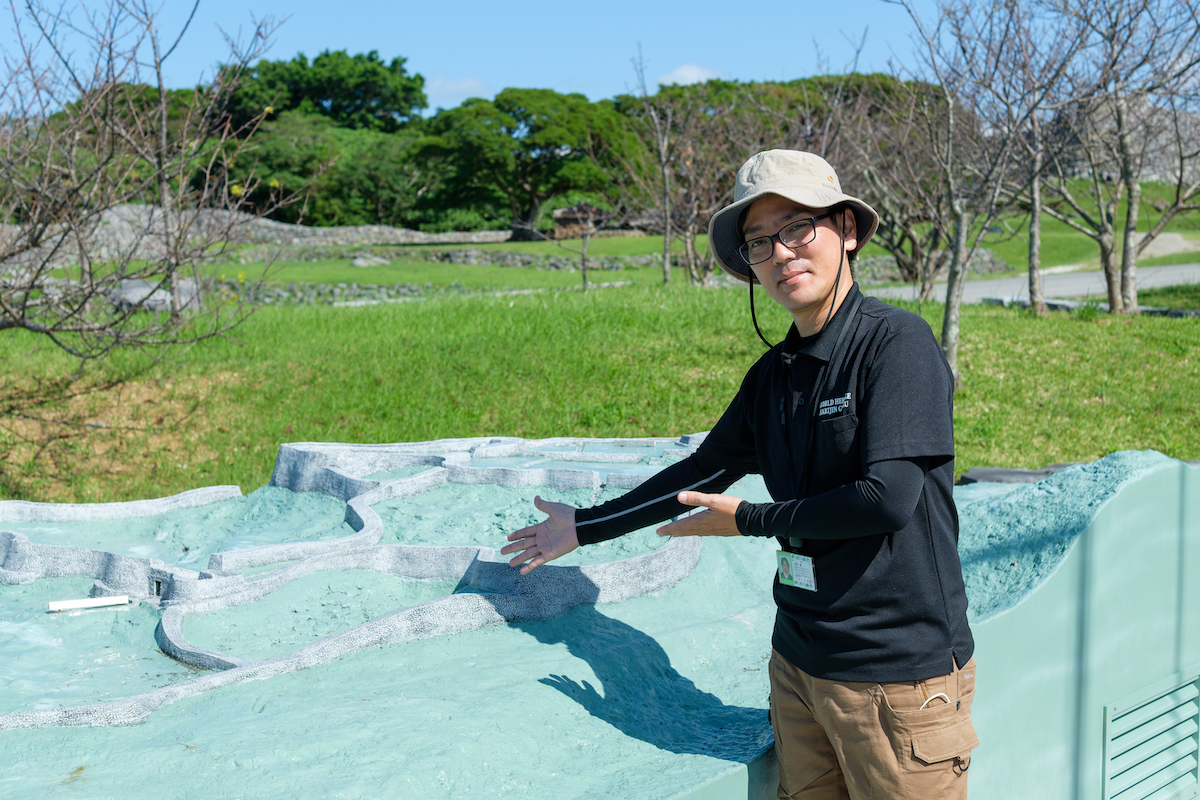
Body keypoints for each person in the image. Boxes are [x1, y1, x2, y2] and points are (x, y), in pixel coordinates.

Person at [501, 149, 978, 799]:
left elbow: (887, 499)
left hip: (896, 679)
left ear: (848, 230)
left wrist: (751, 521)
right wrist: (583, 528)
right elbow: (701, 469)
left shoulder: (896, 345)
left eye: (797, 228)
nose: (781, 253)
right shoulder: (771, 380)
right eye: (759, 241)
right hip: (799, 668)